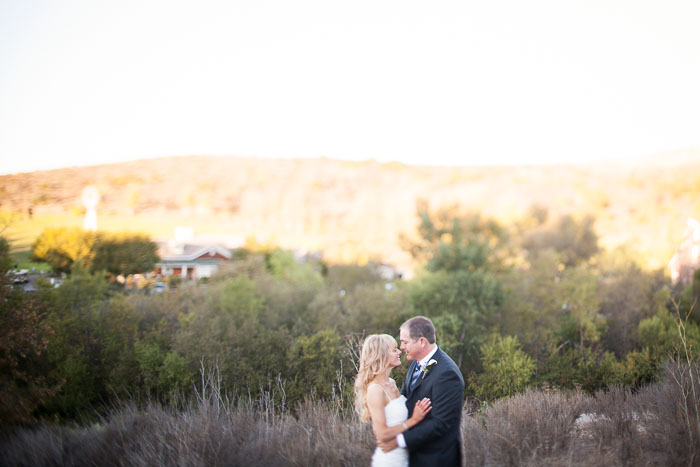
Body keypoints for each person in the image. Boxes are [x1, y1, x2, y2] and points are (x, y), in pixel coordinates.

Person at [377, 316, 465, 467]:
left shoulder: (447, 374)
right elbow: (406, 399)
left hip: (436, 459)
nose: (401, 347)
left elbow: (441, 423)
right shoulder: (415, 363)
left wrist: (399, 441)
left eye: (405, 342)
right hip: (413, 456)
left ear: (422, 342)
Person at [354, 334, 432, 467]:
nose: (399, 352)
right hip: (390, 460)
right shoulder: (375, 390)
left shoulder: (392, 382)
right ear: (381, 355)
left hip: (406, 457)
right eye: (394, 350)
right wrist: (414, 419)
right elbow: (382, 434)